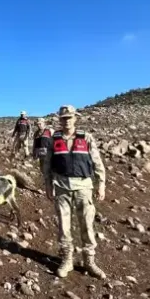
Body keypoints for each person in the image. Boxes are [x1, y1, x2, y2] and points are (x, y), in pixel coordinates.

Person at [45, 105, 107, 279]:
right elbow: (47, 166)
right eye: (63, 118)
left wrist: (101, 184)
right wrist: (48, 186)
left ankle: (89, 261)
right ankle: (67, 260)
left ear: (75, 118)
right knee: (64, 227)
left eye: (69, 117)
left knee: (87, 225)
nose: (67, 120)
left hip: (84, 188)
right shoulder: (53, 140)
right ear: (59, 119)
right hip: (62, 187)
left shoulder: (86, 138)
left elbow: (97, 163)